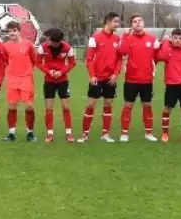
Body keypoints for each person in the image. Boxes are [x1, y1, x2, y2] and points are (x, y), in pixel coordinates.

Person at [80, 12, 124, 142]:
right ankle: (85, 134)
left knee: (108, 104)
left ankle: (105, 134)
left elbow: (119, 59)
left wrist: (116, 74)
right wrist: (92, 75)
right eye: (116, 22)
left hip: (110, 78)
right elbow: (89, 59)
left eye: (118, 22)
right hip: (97, 78)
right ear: (108, 21)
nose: (118, 24)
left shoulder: (117, 39)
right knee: (91, 104)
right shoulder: (95, 38)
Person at [119, 15, 159, 142]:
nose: (137, 23)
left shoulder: (152, 39)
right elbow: (122, 51)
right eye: (134, 22)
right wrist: (125, 36)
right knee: (128, 106)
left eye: (139, 21)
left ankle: (148, 133)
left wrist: (151, 69)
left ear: (143, 23)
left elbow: (158, 55)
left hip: (147, 80)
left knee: (147, 106)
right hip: (131, 79)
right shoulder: (127, 39)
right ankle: (124, 133)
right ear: (131, 25)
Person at [157, 28, 181, 142]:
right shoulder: (168, 50)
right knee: (167, 108)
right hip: (171, 85)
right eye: (175, 38)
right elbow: (162, 56)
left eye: (180, 38)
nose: (178, 40)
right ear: (172, 39)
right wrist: (165, 41)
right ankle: (165, 134)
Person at [2, 23, 39, 142]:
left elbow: (34, 59)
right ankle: (11, 133)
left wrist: (26, 71)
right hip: (12, 79)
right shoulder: (6, 46)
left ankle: (30, 133)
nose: (11, 33)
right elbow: (6, 61)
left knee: (29, 105)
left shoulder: (28, 44)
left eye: (14, 30)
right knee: (12, 105)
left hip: (26, 79)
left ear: (19, 31)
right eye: (9, 31)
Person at [37, 28, 76, 143]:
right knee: (49, 108)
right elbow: (38, 62)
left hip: (63, 81)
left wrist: (61, 72)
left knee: (66, 107)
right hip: (49, 81)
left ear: (57, 42)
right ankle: (50, 134)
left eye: (50, 40)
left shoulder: (67, 48)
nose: (47, 41)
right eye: (47, 39)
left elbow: (72, 63)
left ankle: (68, 134)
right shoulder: (42, 47)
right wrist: (49, 72)